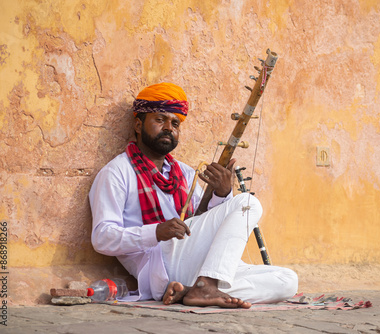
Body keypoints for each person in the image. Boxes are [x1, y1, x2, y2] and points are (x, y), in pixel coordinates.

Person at [89, 83, 298, 308]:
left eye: (175, 123)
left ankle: (192, 290)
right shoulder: (117, 172)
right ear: (138, 125)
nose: (169, 127)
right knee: (247, 203)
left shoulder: (186, 173)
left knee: (287, 281)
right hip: (159, 263)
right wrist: (156, 232)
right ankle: (204, 287)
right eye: (160, 120)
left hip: (196, 263)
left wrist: (222, 193)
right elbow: (102, 238)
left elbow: (207, 224)